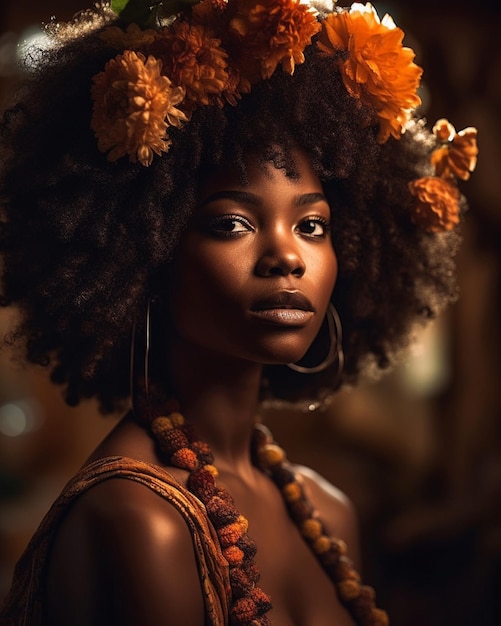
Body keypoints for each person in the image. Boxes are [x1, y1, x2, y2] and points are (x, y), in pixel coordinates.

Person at [0, 0, 478, 625]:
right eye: (232, 223)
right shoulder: (141, 519)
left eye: (312, 224)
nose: (287, 256)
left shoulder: (326, 512)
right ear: (146, 251)